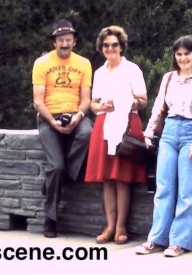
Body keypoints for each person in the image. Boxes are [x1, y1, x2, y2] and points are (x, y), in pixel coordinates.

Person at [136, 35, 192, 257]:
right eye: (179, 54)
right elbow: (158, 108)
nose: (183, 58)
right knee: (163, 188)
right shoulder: (169, 78)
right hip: (170, 133)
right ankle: (157, 239)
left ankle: (178, 242)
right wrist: (149, 132)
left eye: (187, 54)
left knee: (187, 192)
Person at [85, 26, 148, 245]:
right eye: (106, 45)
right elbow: (93, 104)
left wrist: (125, 102)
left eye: (114, 44)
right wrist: (101, 105)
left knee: (122, 179)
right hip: (104, 124)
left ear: (121, 46)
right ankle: (110, 225)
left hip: (127, 125)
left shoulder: (132, 69)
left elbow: (142, 100)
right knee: (107, 179)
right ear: (101, 48)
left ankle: (121, 226)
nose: (110, 48)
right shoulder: (100, 72)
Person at [32, 19, 93, 238]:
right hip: (49, 117)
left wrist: (78, 117)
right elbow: (38, 101)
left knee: (87, 132)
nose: (64, 44)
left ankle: (56, 181)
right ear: (54, 42)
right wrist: (52, 121)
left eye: (68, 40)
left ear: (74, 41)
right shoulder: (41, 63)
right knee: (55, 166)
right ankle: (51, 219)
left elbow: (86, 100)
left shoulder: (84, 63)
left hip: (75, 115)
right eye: (60, 40)